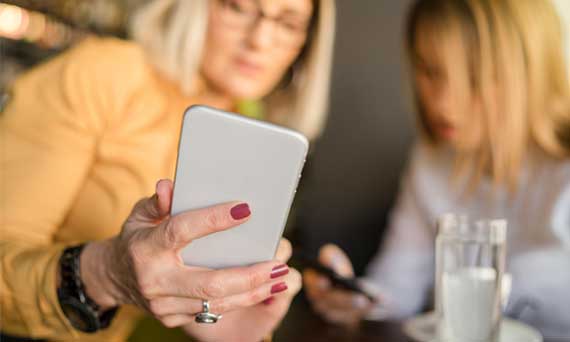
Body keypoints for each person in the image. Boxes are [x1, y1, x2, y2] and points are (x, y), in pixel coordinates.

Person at [0, 0, 335, 341]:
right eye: (238, 8)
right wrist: (105, 274)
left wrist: (226, 321)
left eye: (289, 24)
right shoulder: (104, 72)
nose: (260, 40)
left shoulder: (248, 135)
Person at [304, 0, 570, 337]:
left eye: (472, 78)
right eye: (431, 72)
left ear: (531, 70)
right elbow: (395, 290)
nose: (443, 102)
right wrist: (356, 301)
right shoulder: (432, 162)